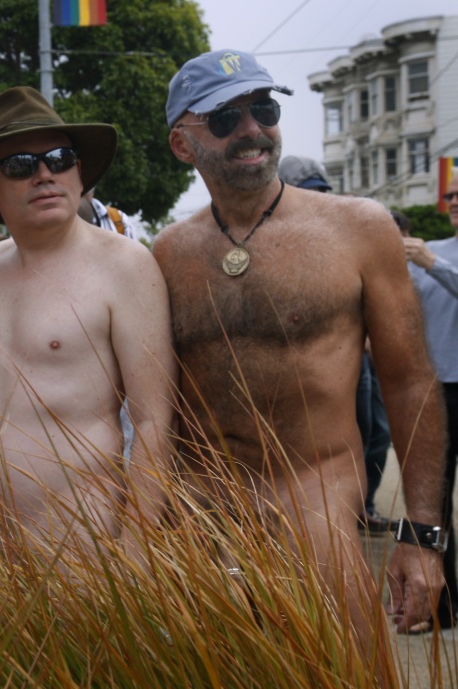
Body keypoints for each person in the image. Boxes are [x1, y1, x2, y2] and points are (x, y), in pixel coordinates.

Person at [154, 49, 447, 675]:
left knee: (344, 672)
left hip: (314, 496)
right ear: (183, 144)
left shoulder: (359, 229)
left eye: (264, 108)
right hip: (202, 513)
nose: (253, 129)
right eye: (226, 120)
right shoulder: (167, 254)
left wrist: (422, 535)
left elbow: (409, 382)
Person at [0, 86, 177, 568]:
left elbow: (155, 421)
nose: (45, 174)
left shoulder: (125, 267)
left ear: (79, 171)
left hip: (89, 554)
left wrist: (135, 553)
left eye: (59, 157)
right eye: (20, 166)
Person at [281, 155, 391, 532]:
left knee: (374, 435)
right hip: (309, 371)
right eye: (309, 192)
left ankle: (361, 507)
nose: (318, 201)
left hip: (358, 361)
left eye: (322, 193)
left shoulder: (344, 235)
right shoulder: (276, 243)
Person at [402, 185, 458, 628]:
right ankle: (444, 607)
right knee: (432, 505)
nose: (455, 201)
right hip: (436, 394)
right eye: (452, 195)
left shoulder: (431, 257)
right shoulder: (430, 250)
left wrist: (431, 265)